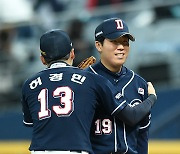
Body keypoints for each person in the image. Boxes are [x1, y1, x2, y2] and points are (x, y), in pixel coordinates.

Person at [21, 29, 157, 154]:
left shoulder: (29, 84)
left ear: (43, 59)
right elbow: (131, 116)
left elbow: (31, 122)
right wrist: (151, 98)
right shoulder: (92, 80)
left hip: (39, 150)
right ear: (73, 53)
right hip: (75, 150)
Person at [86, 18, 153, 154]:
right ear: (99, 45)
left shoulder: (139, 83)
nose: (121, 47)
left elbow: (142, 134)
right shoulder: (85, 80)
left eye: (125, 42)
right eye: (114, 42)